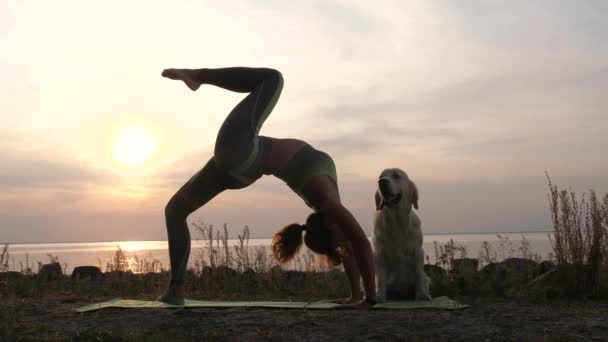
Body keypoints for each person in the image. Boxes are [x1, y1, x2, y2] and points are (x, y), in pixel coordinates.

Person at [157, 66, 376, 308]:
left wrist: (370, 298)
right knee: (175, 211)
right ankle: (175, 291)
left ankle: (198, 76)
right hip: (242, 173)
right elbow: (350, 245)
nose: (344, 238)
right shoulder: (329, 206)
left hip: (243, 151)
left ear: (331, 226)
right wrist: (359, 296)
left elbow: (360, 243)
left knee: (273, 78)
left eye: (338, 237)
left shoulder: (327, 201)